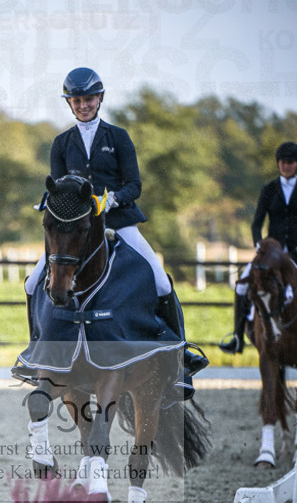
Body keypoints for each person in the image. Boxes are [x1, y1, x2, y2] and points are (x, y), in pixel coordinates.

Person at [24, 67, 208, 387]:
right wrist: (49, 203)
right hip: (79, 228)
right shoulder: (62, 142)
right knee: (31, 283)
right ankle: (40, 351)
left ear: (100, 99)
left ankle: (180, 354)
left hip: (119, 222)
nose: (83, 105)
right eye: (77, 100)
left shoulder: (118, 137)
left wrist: (111, 201)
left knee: (160, 279)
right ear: (70, 103)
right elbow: (60, 185)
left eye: (89, 99)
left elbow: (134, 184)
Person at [219, 141, 297, 358]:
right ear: (278, 164)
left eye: (291, 162)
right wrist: (258, 242)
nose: (286, 166)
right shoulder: (269, 189)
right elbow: (257, 222)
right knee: (240, 286)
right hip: (272, 254)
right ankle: (237, 336)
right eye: (283, 162)